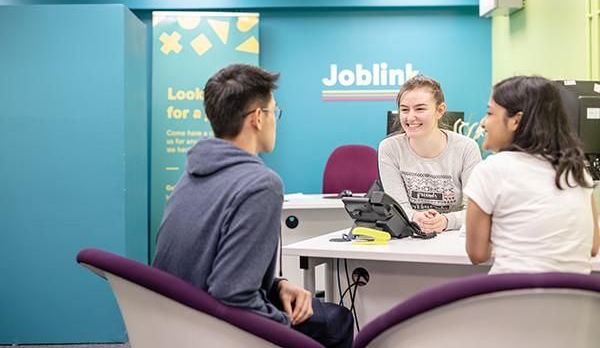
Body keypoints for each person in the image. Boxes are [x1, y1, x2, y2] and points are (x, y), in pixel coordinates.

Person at [153, 64, 353, 347]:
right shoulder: (261, 184)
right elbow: (233, 296)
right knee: (337, 321)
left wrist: (276, 286)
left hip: (171, 321)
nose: (275, 120)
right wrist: (284, 328)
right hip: (216, 328)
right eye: (275, 112)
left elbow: (211, 262)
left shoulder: (191, 173)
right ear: (258, 118)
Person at [464, 75, 599, 273]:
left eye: (490, 113)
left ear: (515, 121)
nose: (483, 123)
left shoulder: (491, 170)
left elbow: (477, 254)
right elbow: (594, 247)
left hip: (512, 298)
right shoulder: (576, 171)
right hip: (574, 302)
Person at [378, 75, 482, 233]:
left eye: (420, 109)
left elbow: (476, 213)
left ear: (440, 111)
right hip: (409, 239)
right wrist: (415, 217)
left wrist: (446, 221)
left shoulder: (467, 148)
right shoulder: (389, 148)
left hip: (452, 241)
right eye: (404, 109)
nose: (410, 117)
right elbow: (398, 208)